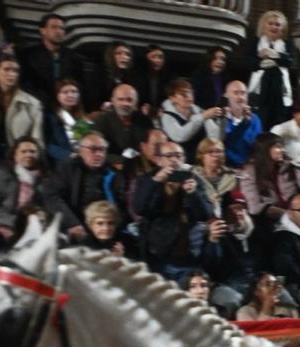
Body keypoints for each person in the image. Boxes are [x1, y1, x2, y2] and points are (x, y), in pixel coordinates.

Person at [133, 140, 213, 282]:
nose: (174, 160)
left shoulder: (193, 179)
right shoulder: (147, 180)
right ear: (158, 160)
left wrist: (193, 193)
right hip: (160, 255)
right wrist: (156, 181)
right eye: (169, 156)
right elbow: (140, 208)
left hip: (189, 254)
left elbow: (205, 214)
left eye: (179, 156)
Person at [40, 130, 124, 242]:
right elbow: (52, 196)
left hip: (105, 229)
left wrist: (117, 236)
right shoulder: (67, 168)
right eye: (93, 149)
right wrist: (72, 223)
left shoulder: (113, 174)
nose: (98, 154)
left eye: (102, 150)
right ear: (80, 151)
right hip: (74, 224)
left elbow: (121, 207)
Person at [235, 10, 297, 129]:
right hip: (258, 94)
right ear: (263, 25)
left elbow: (290, 62)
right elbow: (249, 63)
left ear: (283, 29)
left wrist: (272, 54)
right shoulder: (254, 43)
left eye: (278, 24)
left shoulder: (288, 45)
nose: (274, 27)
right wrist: (275, 60)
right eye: (270, 23)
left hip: (279, 94)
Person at [18, 13, 83, 100]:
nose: (59, 31)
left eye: (61, 28)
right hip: (36, 103)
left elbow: (80, 85)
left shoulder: (73, 57)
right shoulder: (28, 54)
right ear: (43, 30)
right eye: (54, 27)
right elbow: (24, 83)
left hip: (66, 105)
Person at [0, 137, 45, 228]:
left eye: (32, 151)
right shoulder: (2, 173)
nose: (28, 155)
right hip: (4, 224)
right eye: (23, 151)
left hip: (33, 225)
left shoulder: (44, 179)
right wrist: (12, 222)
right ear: (15, 155)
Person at [161, 77, 221, 160]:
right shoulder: (167, 117)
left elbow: (215, 137)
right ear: (172, 98)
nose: (189, 97)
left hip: (200, 161)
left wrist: (221, 119)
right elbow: (180, 136)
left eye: (190, 93)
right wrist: (202, 117)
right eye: (183, 94)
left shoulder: (200, 111)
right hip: (179, 162)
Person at [93, 84, 153, 166]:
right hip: (111, 167)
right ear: (113, 101)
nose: (125, 104)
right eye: (120, 99)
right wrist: (122, 161)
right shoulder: (102, 120)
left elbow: (151, 149)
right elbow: (96, 151)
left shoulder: (145, 120)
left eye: (129, 100)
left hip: (140, 167)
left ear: (136, 103)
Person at [211, 80, 263, 168]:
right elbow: (223, 144)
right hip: (227, 168)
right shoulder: (220, 118)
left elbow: (258, 145)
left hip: (250, 168)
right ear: (227, 96)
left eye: (243, 93)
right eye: (236, 93)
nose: (240, 97)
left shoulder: (255, 119)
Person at [43, 78, 93, 164]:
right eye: (65, 92)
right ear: (57, 96)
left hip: (84, 161)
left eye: (74, 92)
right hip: (62, 163)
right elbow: (48, 146)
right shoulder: (50, 118)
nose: (70, 95)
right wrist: (70, 156)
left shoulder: (84, 119)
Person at [87, 41, 137, 112]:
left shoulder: (130, 77)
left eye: (127, 54)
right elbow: (92, 99)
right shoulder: (99, 73)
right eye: (119, 53)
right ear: (110, 56)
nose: (124, 57)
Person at [134, 44, 173, 116]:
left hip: (162, 113)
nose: (157, 60)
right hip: (142, 112)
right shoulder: (137, 76)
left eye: (160, 57)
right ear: (146, 58)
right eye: (153, 57)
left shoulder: (169, 77)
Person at [191, 46, 229, 111]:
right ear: (209, 59)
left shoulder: (226, 79)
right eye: (215, 58)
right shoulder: (198, 76)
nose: (220, 62)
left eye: (223, 59)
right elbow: (194, 100)